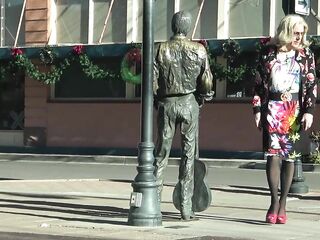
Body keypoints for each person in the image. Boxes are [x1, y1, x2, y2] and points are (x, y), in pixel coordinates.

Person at [252, 14, 317, 224]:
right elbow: (258, 84)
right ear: (286, 31)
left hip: (295, 110)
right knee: (273, 156)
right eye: (296, 33)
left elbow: (311, 85)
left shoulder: (305, 54)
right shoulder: (268, 53)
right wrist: (257, 110)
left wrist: (309, 111)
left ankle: (283, 204)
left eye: (302, 33)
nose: (299, 37)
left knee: (290, 157)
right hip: (272, 107)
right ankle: (272, 202)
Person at [153, 11, 213, 221]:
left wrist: (157, 100)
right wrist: (203, 97)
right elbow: (206, 81)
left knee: (161, 153)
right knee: (188, 155)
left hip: (167, 104)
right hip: (189, 103)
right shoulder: (199, 49)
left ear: (172, 26)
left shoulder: (160, 49)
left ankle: (154, 201)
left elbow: (153, 81)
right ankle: (186, 207)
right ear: (188, 28)